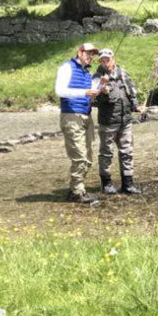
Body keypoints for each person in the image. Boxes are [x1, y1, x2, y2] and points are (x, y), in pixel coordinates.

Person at [55, 42, 101, 205]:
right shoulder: (67, 67)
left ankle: (75, 188)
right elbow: (59, 90)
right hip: (71, 116)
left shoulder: (87, 74)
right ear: (79, 52)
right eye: (88, 53)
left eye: (92, 54)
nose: (91, 56)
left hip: (86, 116)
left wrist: (99, 91)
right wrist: (84, 92)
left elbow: (89, 96)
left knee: (88, 158)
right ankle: (77, 192)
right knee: (80, 157)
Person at [94, 48, 142, 196]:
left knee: (127, 152)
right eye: (102, 60)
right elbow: (94, 101)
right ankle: (107, 184)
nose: (105, 63)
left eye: (107, 59)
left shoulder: (123, 73)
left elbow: (131, 92)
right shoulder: (96, 78)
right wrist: (103, 91)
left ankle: (128, 184)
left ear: (113, 59)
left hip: (125, 120)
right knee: (106, 153)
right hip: (108, 122)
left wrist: (136, 106)